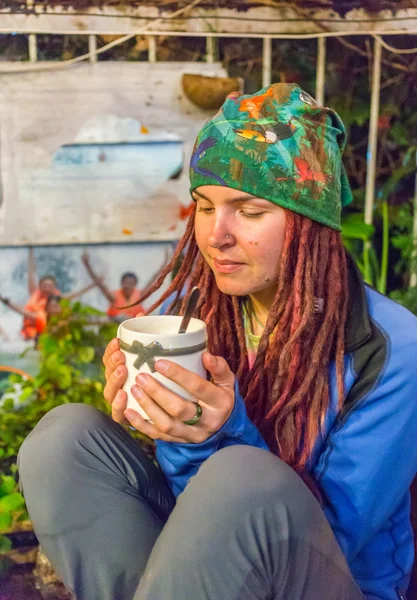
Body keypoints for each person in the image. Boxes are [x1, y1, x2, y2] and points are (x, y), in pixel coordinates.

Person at [17, 84, 417, 600]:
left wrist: (211, 438)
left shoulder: (392, 349)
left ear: (311, 226)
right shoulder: (191, 312)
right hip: (200, 571)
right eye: (205, 207)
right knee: (64, 440)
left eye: (248, 212)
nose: (215, 235)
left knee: (239, 476)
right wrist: (150, 415)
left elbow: (335, 538)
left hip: (328, 579)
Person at [21, 248, 97, 340]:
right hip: (32, 332)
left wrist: (94, 284)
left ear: (54, 287)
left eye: (50, 286)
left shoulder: (57, 299)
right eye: (44, 286)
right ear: (40, 286)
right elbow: (31, 273)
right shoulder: (34, 293)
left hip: (49, 330)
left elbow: (77, 293)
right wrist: (31, 252)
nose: (47, 289)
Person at [81, 252, 145, 321]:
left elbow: (153, 282)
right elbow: (100, 285)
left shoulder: (140, 296)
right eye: (126, 283)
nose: (128, 286)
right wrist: (87, 265)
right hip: (115, 327)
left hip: (133, 328)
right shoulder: (114, 297)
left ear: (135, 284)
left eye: (131, 283)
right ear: (121, 283)